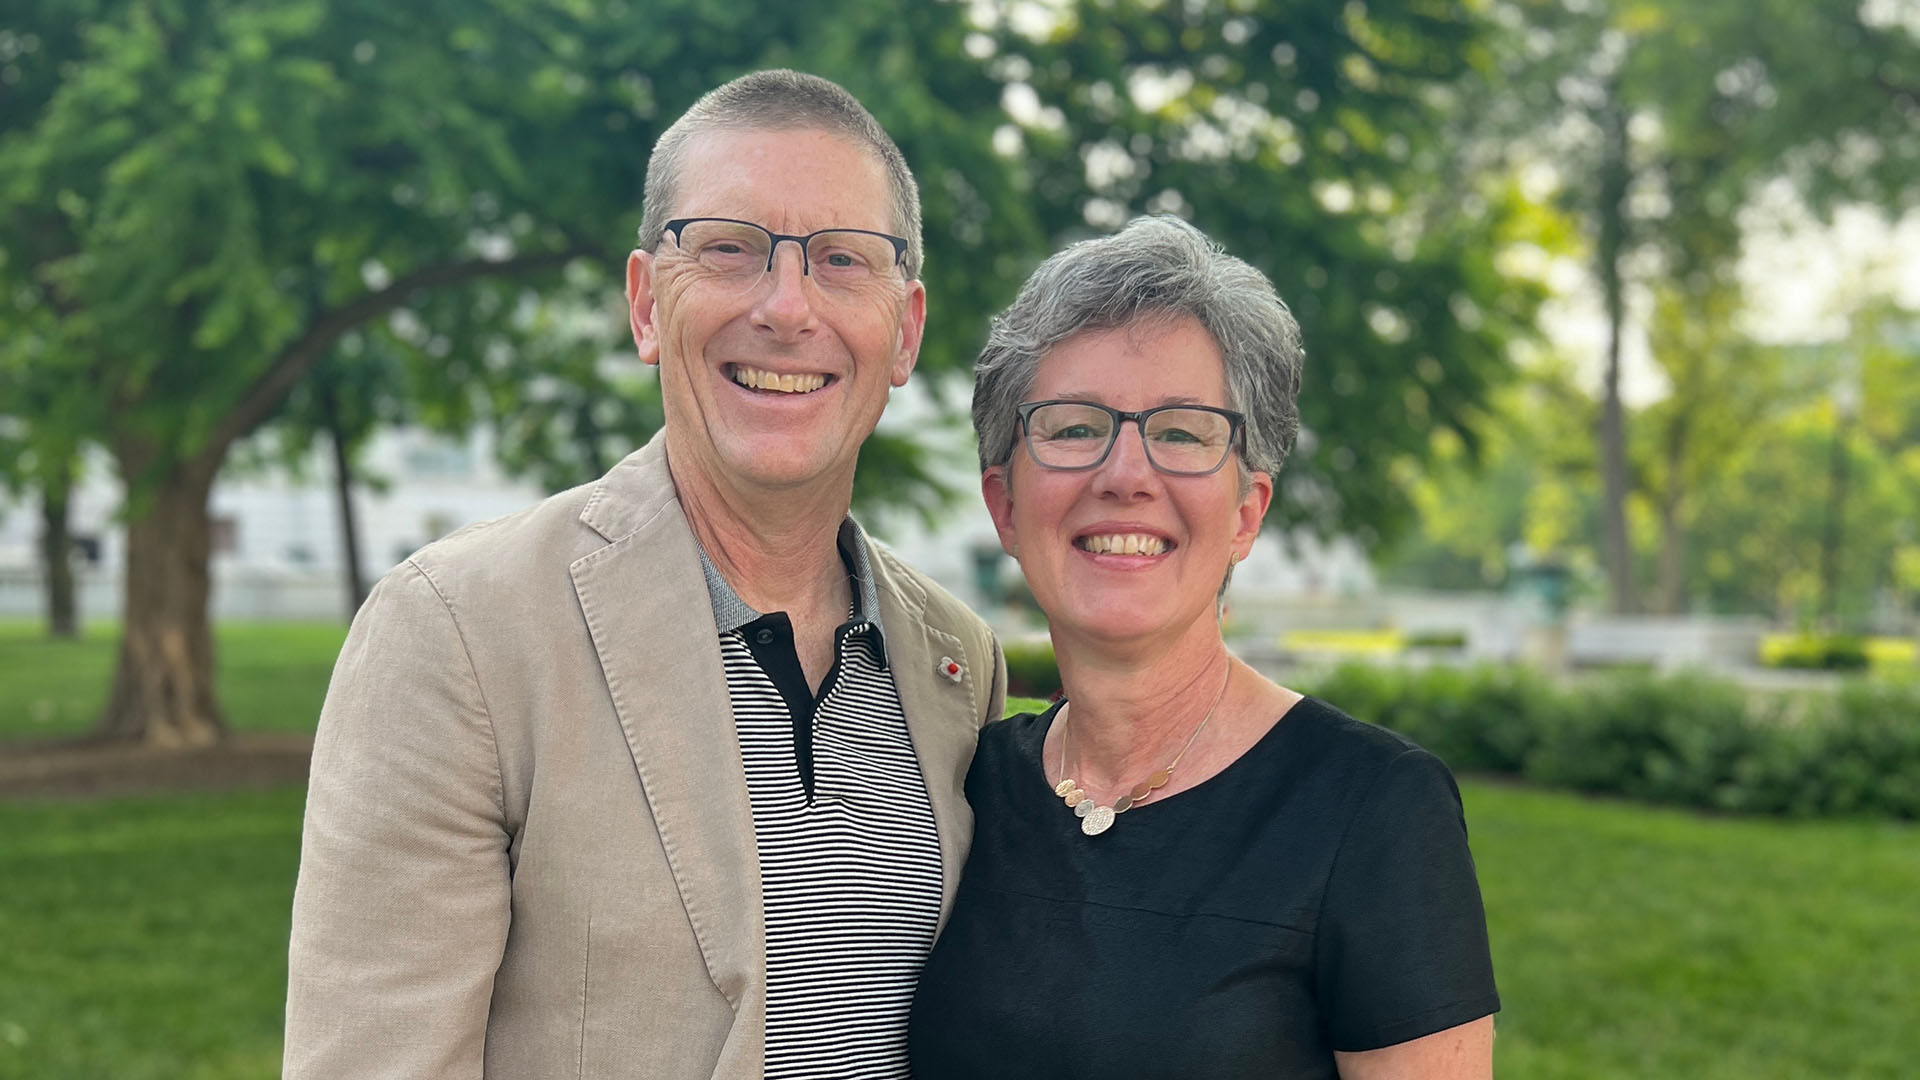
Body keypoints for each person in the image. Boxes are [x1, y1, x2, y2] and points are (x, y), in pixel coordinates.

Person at [285, 70, 1006, 1080]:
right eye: (728, 250)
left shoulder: (957, 659)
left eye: (843, 260)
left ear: (907, 327)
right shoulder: (456, 630)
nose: (786, 307)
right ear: (645, 304)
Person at [909, 216, 1498, 1079]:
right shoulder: (970, 786)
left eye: (1182, 432)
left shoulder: (1372, 812)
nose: (1126, 473)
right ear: (1003, 505)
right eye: (1074, 428)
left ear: (1247, 512)